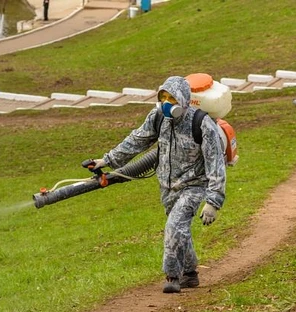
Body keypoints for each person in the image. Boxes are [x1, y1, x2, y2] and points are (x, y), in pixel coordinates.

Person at [88, 76, 226, 293]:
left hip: (194, 185)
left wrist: (213, 202)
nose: (167, 103)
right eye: (163, 97)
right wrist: (106, 160)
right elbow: (135, 141)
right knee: (180, 229)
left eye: (172, 98)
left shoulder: (202, 124)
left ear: (184, 100)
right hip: (167, 186)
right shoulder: (158, 117)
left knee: (174, 227)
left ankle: (172, 277)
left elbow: (216, 164)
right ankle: (190, 274)